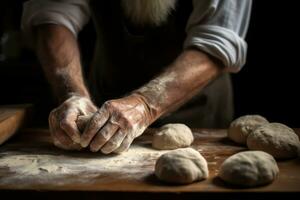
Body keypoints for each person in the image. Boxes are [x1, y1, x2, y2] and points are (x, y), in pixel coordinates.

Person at [21, 0, 252, 153]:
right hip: (104, 96)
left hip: (200, 110)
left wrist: (144, 104)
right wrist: (72, 92)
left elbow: (218, 40)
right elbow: (53, 15)